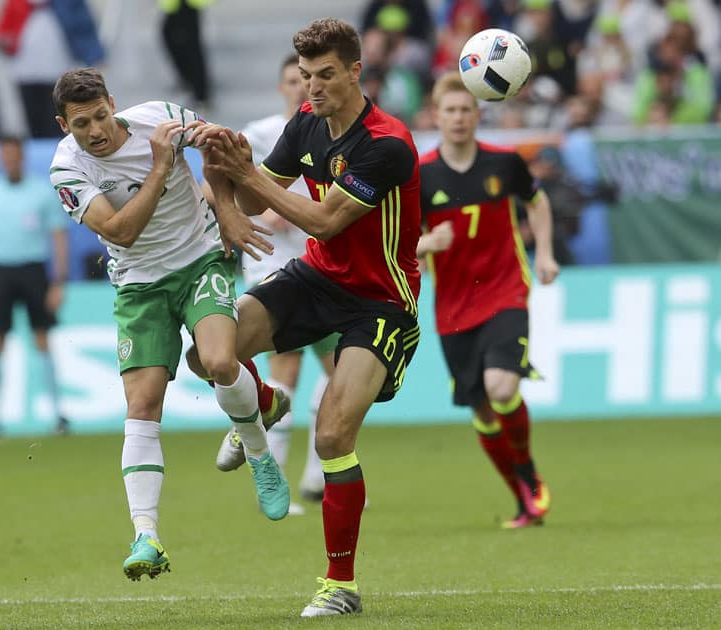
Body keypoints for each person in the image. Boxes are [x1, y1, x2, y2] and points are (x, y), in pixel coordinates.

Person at [186, 18, 422, 616]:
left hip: (380, 301)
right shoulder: (306, 126)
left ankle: (339, 586)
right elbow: (251, 196)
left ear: (353, 71)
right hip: (316, 278)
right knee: (208, 349)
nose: (310, 88)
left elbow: (321, 220)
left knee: (334, 434)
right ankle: (263, 400)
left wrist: (246, 176)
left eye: (323, 76)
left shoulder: (387, 145)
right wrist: (222, 177)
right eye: (304, 77)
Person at [48, 67, 291, 582]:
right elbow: (121, 231)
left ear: (113, 103)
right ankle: (146, 534)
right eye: (79, 124)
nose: (93, 130)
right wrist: (160, 167)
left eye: (99, 116)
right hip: (139, 282)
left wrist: (224, 208)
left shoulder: (160, 116)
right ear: (62, 125)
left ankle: (259, 455)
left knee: (221, 361)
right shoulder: (67, 171)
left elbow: (220, 149)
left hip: (202, 258)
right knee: (141, 404)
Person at [415, 72, 559, 530]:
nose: (458, 118)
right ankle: (520, 491)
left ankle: (529, 472)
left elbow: (536, 202)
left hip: (505, 291)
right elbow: (395, 240)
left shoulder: (505, 163)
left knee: (502, 388)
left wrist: (546, 253)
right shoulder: (420, 175)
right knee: (479, 406)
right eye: (450, 110)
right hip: (453, 305)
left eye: (466, 110)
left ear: (479, 115)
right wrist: (425, 244)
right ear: (437, 117)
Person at [217, 53, 339, 515]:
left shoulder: (333, 131)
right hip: (274, 267)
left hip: (323, 268)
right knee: (283, 373)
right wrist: (265, 211)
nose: (299, 87)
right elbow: (226, 185)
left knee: (337, 375)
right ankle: (276, 479)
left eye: (305, 78)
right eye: (292, 80)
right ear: (281, 87)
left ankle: (317, 477)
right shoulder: (263, 133)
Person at [0, 135, 69, 437]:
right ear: (0, 158)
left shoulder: (40, 192)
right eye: (4, 156)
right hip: (0, 271)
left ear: (21, 157)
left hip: (34, 270)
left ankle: (58, 414)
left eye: (14, 155)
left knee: (42, 339)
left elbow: (58, 236)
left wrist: (59, 281)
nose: (9, 161)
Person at [0, 0, 106, 139]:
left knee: (59, 120)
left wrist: (95, 54)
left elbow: (84, 28)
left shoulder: (69, 3)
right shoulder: (17, 3)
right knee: (34, 122)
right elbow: (4, 29)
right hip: (25, 74)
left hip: (60, 73)